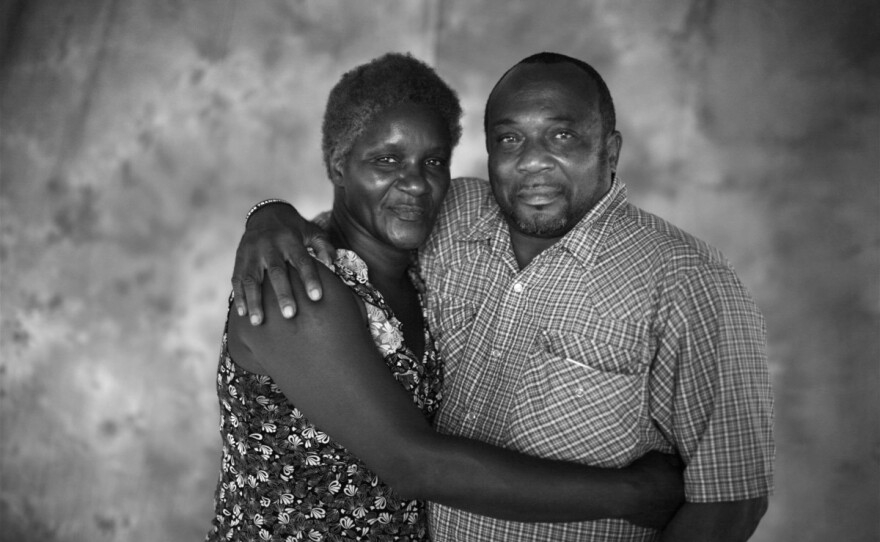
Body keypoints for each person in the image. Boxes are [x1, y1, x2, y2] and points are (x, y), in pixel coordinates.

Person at [233, 52, 775, 541]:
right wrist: (269, 212)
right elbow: (411, 463)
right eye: (510, 139)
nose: (416, 185)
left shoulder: (689, 281)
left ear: (610, 150)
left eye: (562, 136)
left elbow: (730, 503)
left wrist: (269, 214)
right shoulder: (302, 279)